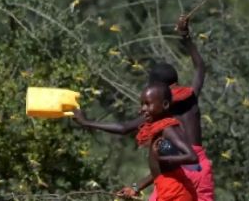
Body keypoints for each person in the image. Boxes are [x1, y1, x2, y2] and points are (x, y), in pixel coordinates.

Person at [72, 15, 215, 200]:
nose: (144, 109)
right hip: (200, 170)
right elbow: (200, 68)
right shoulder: (191, 95)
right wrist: (185, 36)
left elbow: (124, 128)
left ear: (158, 91)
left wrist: (87, 122)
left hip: (180, 174)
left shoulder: (163, 113)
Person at [116, 84, 198, 200]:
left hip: (177, 194)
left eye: (148, 104)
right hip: (169, 191)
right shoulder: (159, 133)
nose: (143, 109)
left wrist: (164, 159)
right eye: (142, 104)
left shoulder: (168, 129)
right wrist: (134, 188)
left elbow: (192, 157)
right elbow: (159, 172)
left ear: (165, 105)